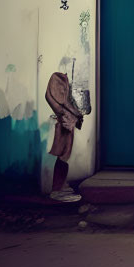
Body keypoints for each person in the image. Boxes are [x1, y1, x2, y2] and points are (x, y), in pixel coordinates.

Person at [44, 63, 84, 202]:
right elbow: (63, 102)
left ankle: (60, 186)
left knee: (64, 156)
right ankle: (57, 189)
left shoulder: (60, 90)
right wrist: (74, 113)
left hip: (67, 124)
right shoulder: (58, 80)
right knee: (62, 155)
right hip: (64, 125)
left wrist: (76, 114)